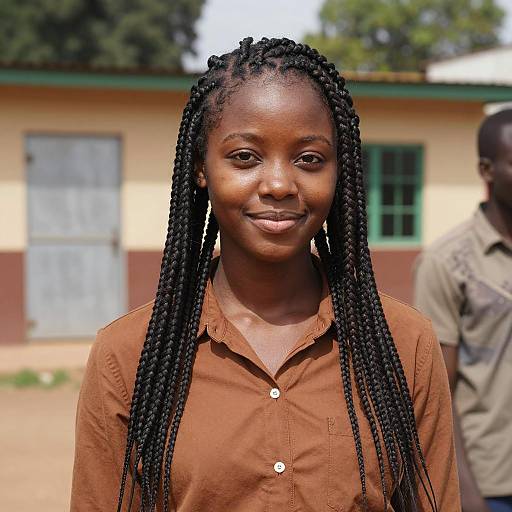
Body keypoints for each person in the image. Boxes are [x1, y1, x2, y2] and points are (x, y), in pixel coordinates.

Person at [71, 37, 459, 512]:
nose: (278, 184)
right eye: (245, 157)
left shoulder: (405, 345)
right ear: (201, 168)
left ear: (340, 172)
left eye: (309, 159)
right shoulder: (129, 357)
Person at [414, 109, 512, 512]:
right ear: (486, 169)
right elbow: (436, 392)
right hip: (492, 484)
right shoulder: (446, 261)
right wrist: (465, 491)